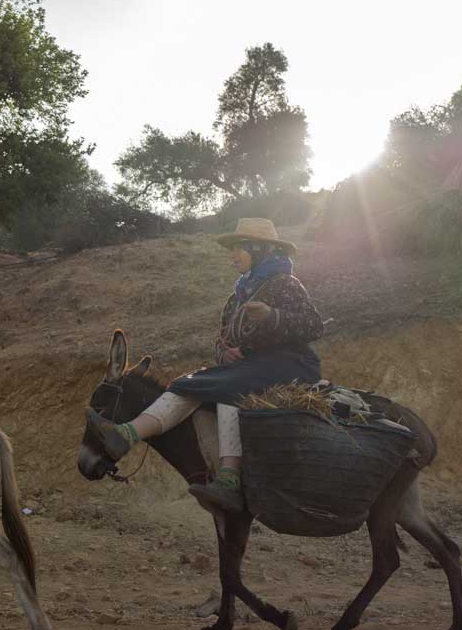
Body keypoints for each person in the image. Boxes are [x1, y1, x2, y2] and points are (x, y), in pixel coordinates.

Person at [92, 218, 324, 513]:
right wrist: (223, 354)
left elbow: (314, 326)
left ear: (258, 248)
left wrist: (271, 315)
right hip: (246, 369)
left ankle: (228, 478)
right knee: (186, 383)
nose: (232, 255)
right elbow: (222, 340)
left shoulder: (285, 284)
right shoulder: (236, 296)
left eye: (238, 249)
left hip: (291, 364)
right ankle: (126, 433)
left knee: (227, 385)